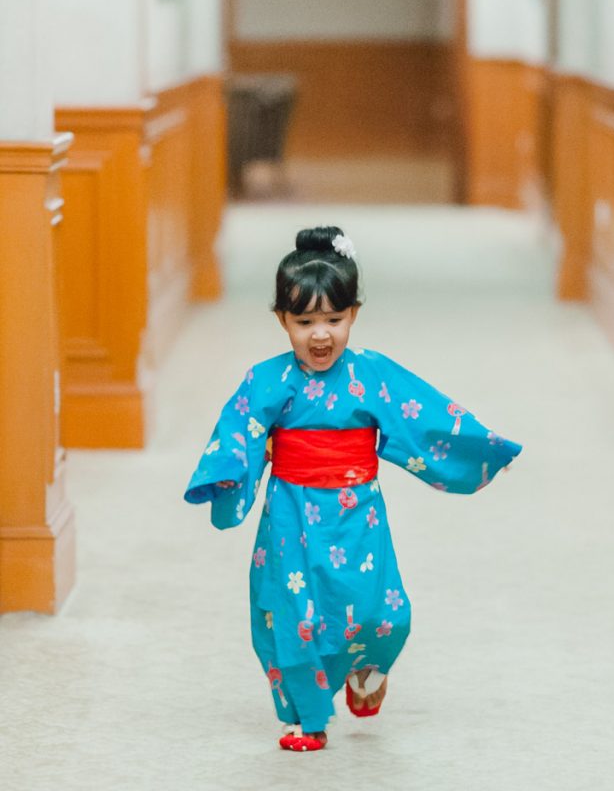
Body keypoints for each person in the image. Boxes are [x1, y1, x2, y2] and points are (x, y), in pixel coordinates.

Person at [184, 225, 522, 752]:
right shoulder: (267, 380)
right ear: (281, 320)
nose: (320, 335)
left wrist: (479, 450)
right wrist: (231, 470)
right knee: (293, 613)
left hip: (356, 512)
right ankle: (306, 715)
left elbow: (424, 417)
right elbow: (238, 430)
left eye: (334, 320)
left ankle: (367, 667)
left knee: (381, 612)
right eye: (304, 322)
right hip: (290, 511)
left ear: (354, 315)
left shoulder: (372, 374)